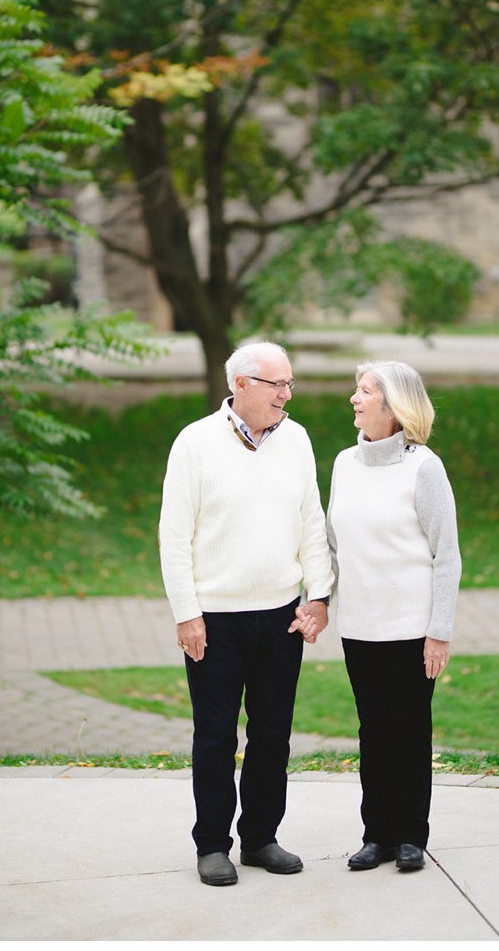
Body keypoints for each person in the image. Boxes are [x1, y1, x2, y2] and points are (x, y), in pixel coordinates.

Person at [158, 340, 334, 887]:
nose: (286, 394)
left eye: (289, 384)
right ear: (239, 385)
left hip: (281, 614)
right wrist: (187, 614)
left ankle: (260, 837)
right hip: (215, 619)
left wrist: (319, 596)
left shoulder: (297, 439)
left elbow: (312, 519)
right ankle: (212, 844)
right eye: (274, 384)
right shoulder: (195, 443)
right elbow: (173, 535)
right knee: (215, 736)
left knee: (273, 735)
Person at [327, 360, 460, 874]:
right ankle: (376, 834)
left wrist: (439, 631)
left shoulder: (423, 467)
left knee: (408, 731)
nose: (354, 399)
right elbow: (334, 544)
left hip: (411, 630)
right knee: (372, 731)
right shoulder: (343, 463)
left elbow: (446, 556)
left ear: (393, 404)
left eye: (363, 391)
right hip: (358, 628)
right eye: (356, 389)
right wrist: (318, 598)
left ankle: (410, 836)